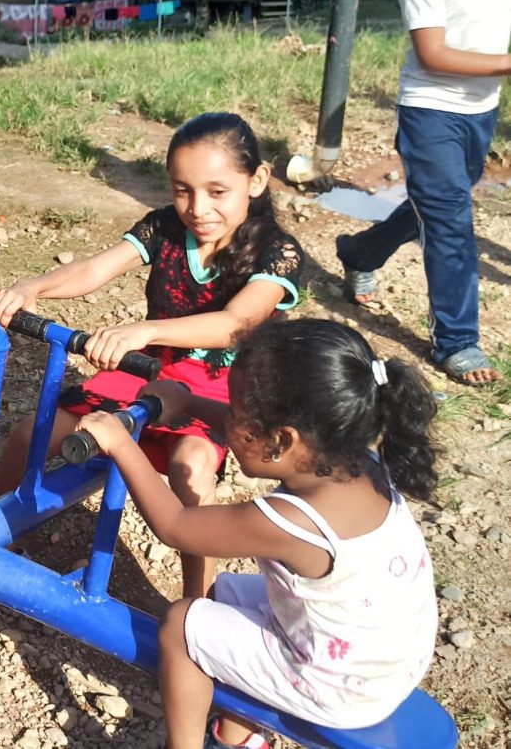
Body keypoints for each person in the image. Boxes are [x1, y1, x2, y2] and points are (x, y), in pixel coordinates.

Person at [0, 112, 305, 597]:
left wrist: (145, 329)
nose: (198, 208)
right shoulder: (166, 229)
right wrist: (34, 287)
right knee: (31, 433)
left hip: (220, 383)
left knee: (191, 468)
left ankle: (197, 601)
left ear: (255, 181)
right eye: (182, 190)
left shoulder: (276, 253)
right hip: (150, 368)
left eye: (217, 192)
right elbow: (94, 269)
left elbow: (236, 324)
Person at [77, 319, 439, 749]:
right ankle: (237, 737)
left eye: (234, 413)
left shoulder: (294, 520)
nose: (226, 420)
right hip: (384, 660)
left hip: (341, 688)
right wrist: (189, 402)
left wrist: (121, 445)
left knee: (179, 624)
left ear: (282, 441)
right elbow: (259, 430)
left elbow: (176, 527)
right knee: (224, 597)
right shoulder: (353, 459)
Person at [335, 0, 511, 386]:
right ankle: (457, 341)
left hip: (481, 110)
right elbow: (433, 55)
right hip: (431, 110)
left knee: (434, 208)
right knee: (452, 219)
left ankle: (360, 252)